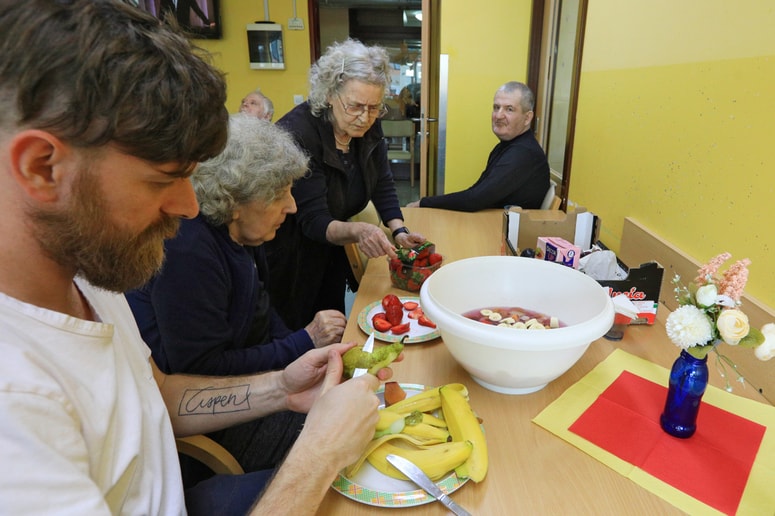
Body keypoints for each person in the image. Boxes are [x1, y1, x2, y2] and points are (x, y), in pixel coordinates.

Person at [0, 2, 396, 515]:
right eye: (164, 178)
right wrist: (318, 453)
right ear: (41, 167)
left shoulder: (92, 281)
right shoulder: (18, 400)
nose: (191, 206)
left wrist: (282, 387)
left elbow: (161, 396)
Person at [126, 114, 347, 473]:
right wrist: (301, 343)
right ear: (234, 200)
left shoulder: (243, 232)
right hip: (219, 417)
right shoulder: (188, 250)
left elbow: (262, 307)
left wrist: (299, 347)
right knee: (342, 442)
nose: (291, 207)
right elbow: (202, 369)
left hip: (258, 385)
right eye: (279, 195)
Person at [266, 38, 426, 330]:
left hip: (332, 247)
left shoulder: (366, 123)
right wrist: (358, 230)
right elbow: (313, 220)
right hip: (292, 254)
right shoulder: (298, 134)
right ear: (329, 94)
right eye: (355, 106)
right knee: (300, 332)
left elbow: (382, 181)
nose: (365, 117)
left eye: (374, 107)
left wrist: (398, 229)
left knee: (335, 326)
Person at [407, 81, 550, 211]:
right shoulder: (506, 146)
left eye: (509, 109)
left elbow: (474, 200)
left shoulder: (523, 153)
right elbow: (477, 191)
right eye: (496, 107)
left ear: (527, 118)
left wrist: (424, 203)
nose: (499, 115)